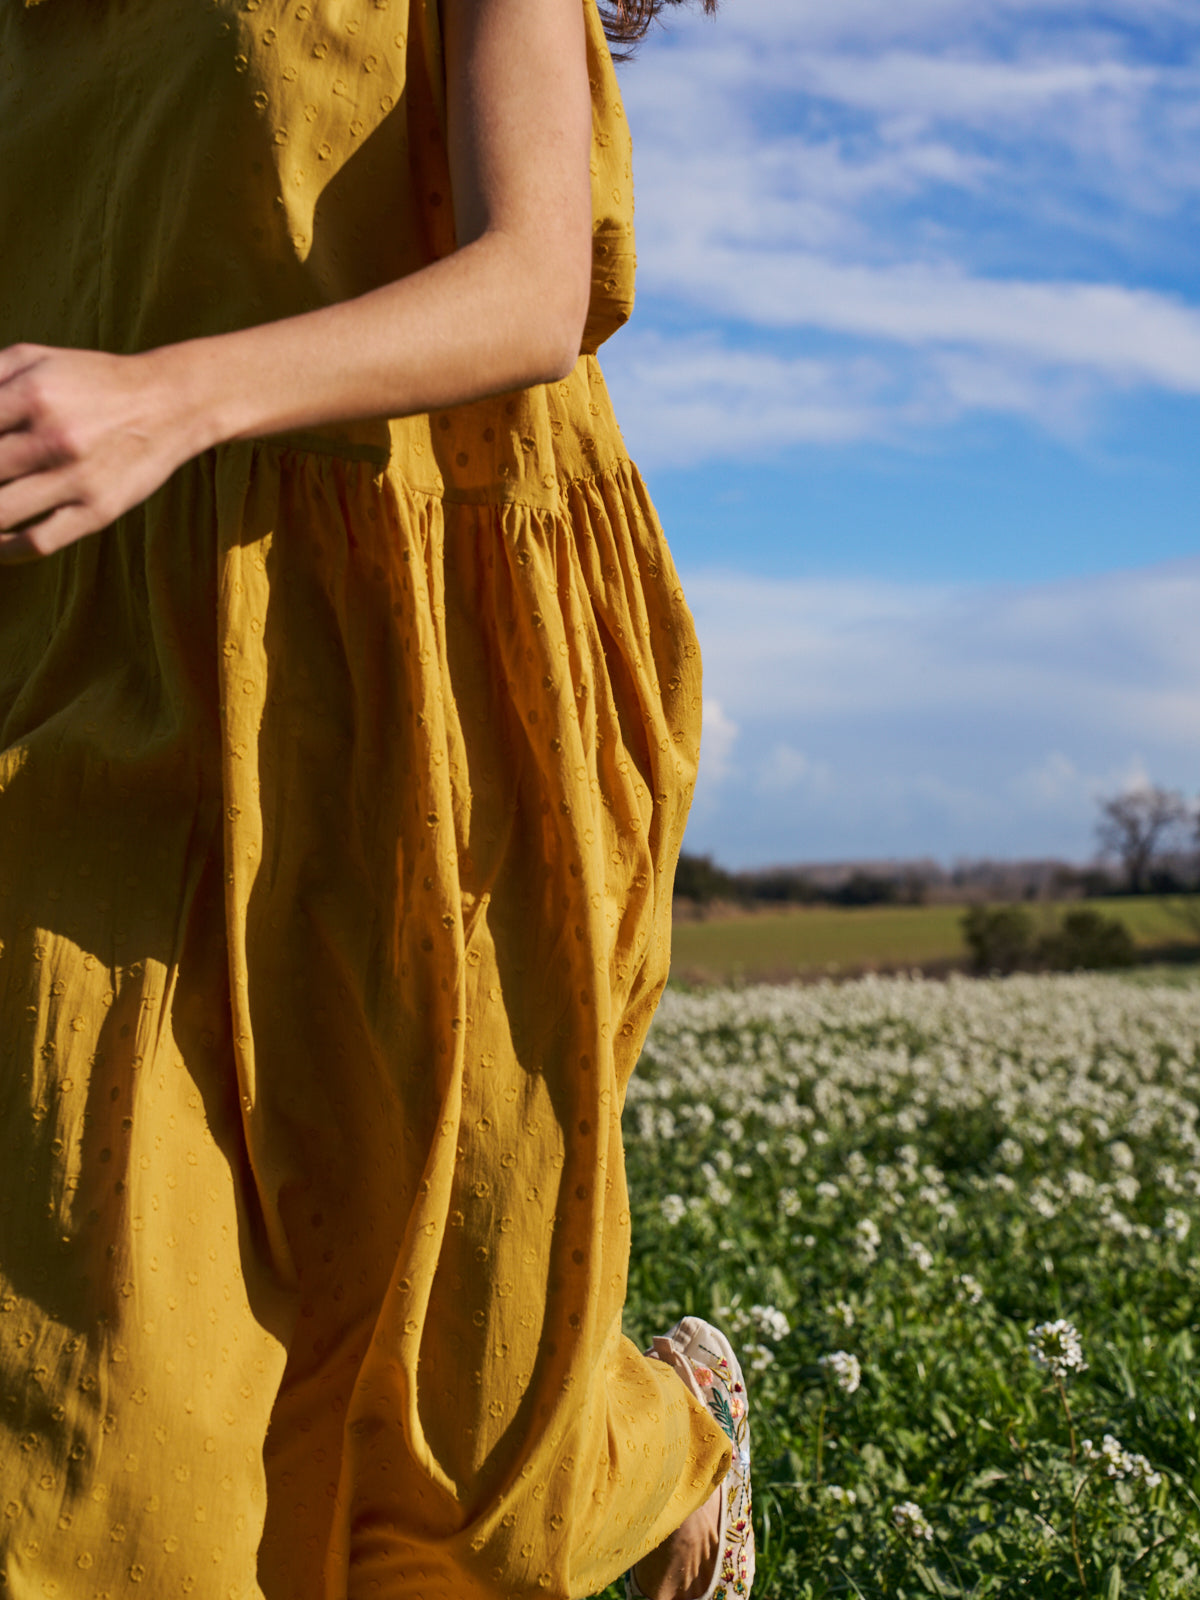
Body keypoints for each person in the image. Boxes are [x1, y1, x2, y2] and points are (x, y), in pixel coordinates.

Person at [0, 0, 752, 1596]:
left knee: (472, 1435)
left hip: (432, 656)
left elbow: (534, 282)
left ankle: (671, 1442)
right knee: (101, 1434)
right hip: (97, 669)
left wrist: (164, 398)